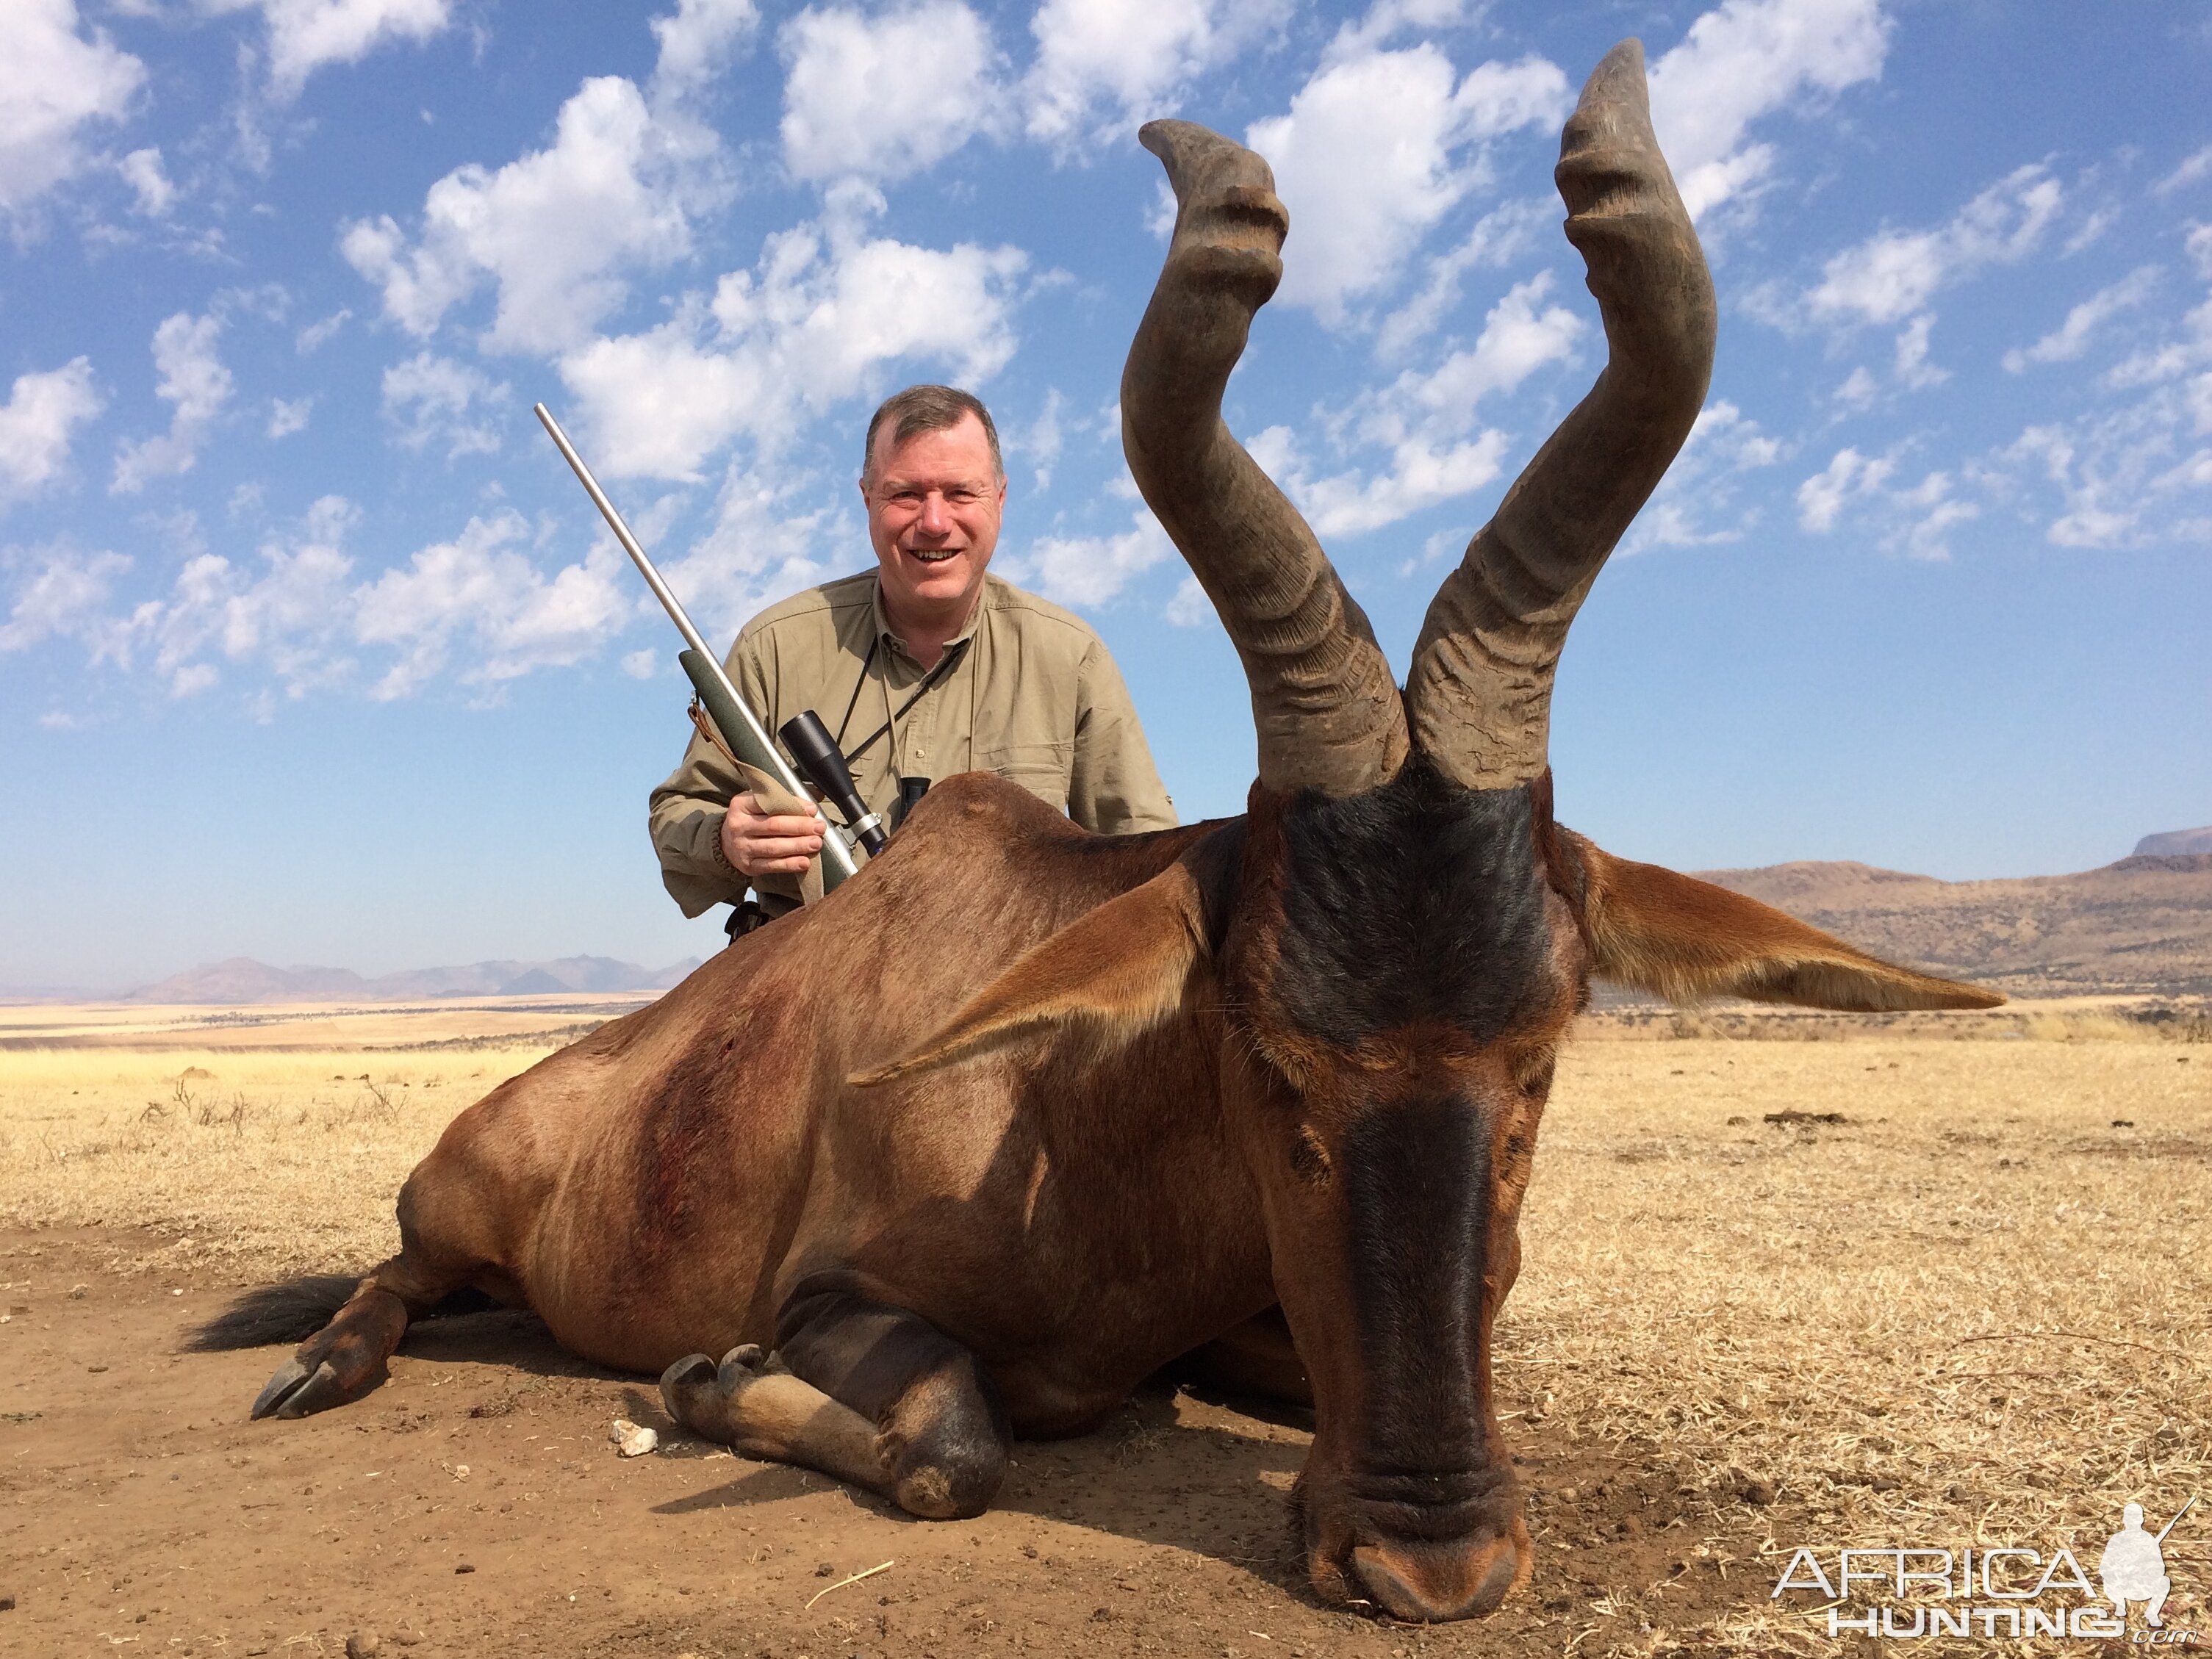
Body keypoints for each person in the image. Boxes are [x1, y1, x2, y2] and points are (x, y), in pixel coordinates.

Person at [650, 384, 1177, 933]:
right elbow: (677, 817)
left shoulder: (1072, 658)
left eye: (960, 493)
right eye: (906, 494)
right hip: (804, 989)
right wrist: (726, 841)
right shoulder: (774, 648)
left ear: (999, 499)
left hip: (1000, 994)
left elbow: (1152, 863)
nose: (933, 521)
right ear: (867, 500)